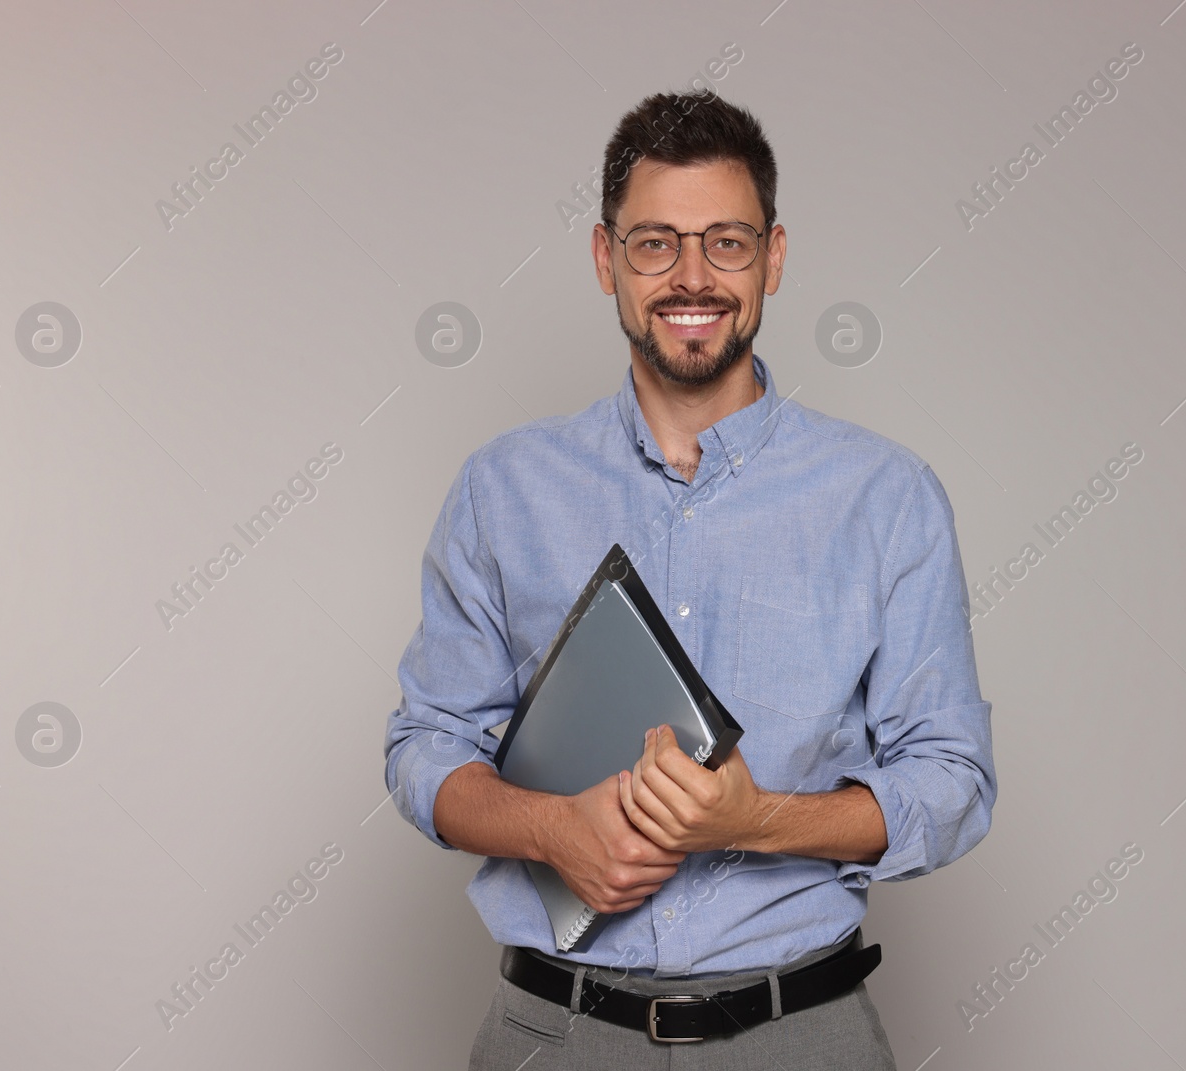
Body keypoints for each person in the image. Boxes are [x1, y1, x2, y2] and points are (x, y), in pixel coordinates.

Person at [384, 90, 996, 1069]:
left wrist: (760, 821)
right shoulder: (503, 488)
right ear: (605, 261)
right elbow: (425, 750)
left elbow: (952, 779)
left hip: (800, 1035)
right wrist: (551, 828)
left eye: (726, 241)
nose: (692, 276)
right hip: (556, 1034)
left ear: (775, 257)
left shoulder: (885, 497)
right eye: (656, 243)